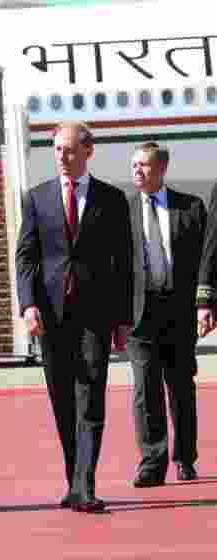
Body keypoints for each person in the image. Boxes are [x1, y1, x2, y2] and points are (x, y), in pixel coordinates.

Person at [14, 121, 132, 513]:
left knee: (91, 396)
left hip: (95, 315)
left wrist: (123, 319)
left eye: (69, 150)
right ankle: (73, 480)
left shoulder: (112, 199)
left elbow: (124, 264)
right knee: (62, 400)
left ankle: (86, 483)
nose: (62, 157)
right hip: (50, 315)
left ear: (88, 151)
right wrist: (28, 305)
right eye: (57, 150)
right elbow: (26, 257)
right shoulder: (37, 198)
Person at [124, 143, 205, 486]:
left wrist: (206, 304)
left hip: (179, 311)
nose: (137, 171)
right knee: (145, 389)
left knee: (181, 389)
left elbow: (208, 260)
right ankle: (152, 463)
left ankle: (185, 458)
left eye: (144, 165)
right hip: (140, 313)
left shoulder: (191, 208)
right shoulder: (121, 211)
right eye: (134, 166)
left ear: (162, 168)